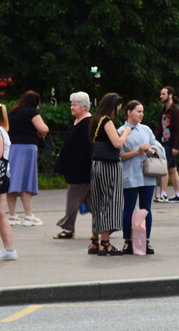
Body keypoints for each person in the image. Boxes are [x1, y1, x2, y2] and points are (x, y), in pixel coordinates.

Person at [117, 100, 160, 255]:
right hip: (130, 174)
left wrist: (151, 150)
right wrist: (137, 151)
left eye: (142, 111)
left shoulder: (146, 130)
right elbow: (120, 155)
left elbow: (156, 145)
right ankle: (128, 241)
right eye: (138, 111)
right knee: (129, 207)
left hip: (147, 174)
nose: (142, 114)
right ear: (129, 112)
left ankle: (146, 240)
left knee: (146, 208)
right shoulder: (121, 130)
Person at [87, 93, 128, 255]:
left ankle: (94, 242)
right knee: (110, 201)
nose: (118, 111)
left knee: (97, 202)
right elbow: (117, 143)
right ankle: (105, 242)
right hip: (109, 165)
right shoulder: (106, 121)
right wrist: (125, 133)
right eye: (118, 107)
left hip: (96, 164)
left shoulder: (95, 120)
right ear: (113, 106)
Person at [54, 92, 94, 240]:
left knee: (72, 198)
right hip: (76, 169)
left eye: (74, 105)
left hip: (81, 170)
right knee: (90, 202)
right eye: (71, 104)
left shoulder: (86, 123)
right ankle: (104, 225)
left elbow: (88, 147)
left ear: (84, 106)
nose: (71, 107)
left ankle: (68, 228)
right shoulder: (78, 121)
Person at [4, 90, 47, 227]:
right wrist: (39, 132)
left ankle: (12, 216)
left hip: (12, 148)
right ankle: (28, 216)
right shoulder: (31, 112)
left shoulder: (12, 113)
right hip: (27, 148)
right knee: (27, 181)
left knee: (13, 180)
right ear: (35, 103)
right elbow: (43, 128)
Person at [155, 86, 179, 202]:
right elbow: (159, 127)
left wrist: (177, 146)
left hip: (171, 143)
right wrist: (155, 140)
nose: (161, 96)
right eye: (161, 94)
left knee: (164, 168)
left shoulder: (176, 111)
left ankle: (163, 194)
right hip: (164, 141)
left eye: (163, 94)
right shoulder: (163, 111)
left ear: (170, 95)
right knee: (172, 169)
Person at [0, 114, 14, 260]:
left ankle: (9, 249)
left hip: (1, 174)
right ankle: (9, 249)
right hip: (3, 174)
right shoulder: (2, 130)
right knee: (1, 214)